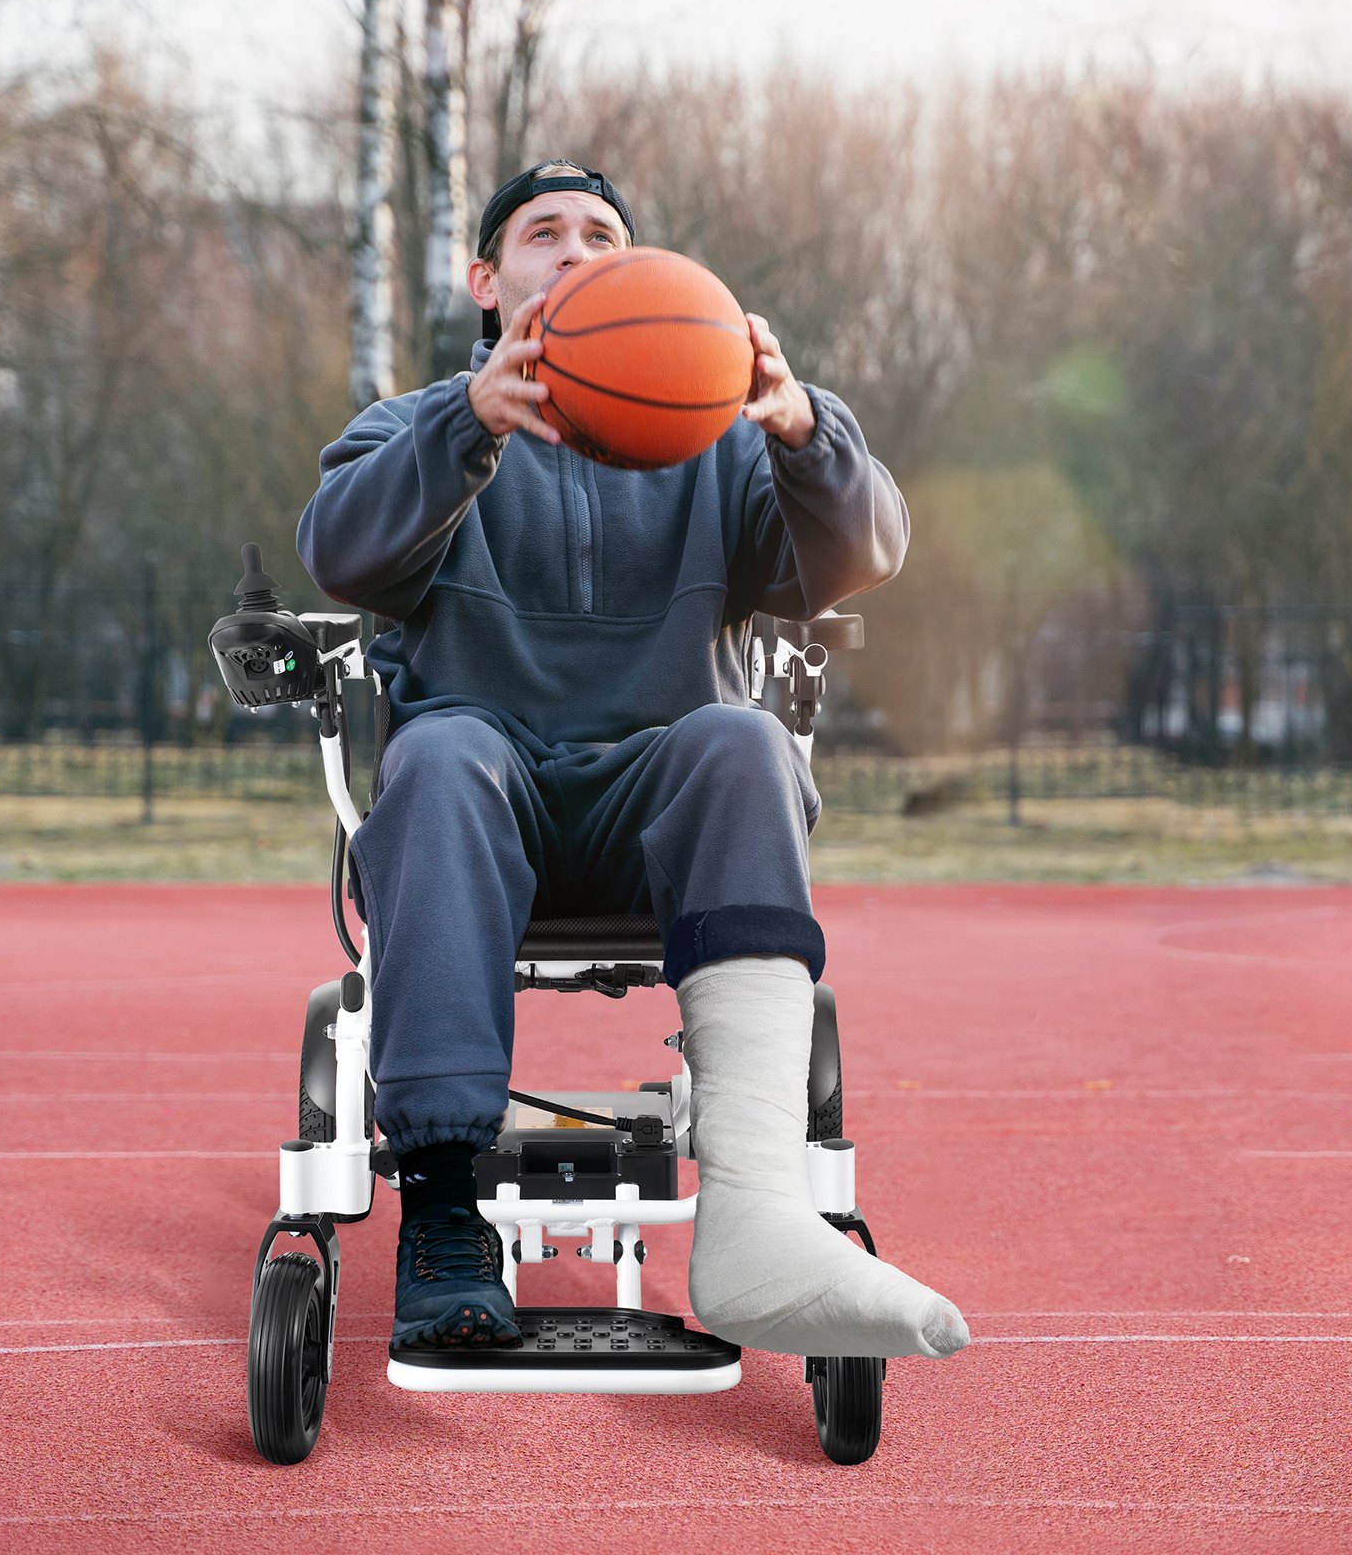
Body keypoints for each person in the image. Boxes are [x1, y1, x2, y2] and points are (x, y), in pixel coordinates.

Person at [297, 159, 969, 1363]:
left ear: (642, 274)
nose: (575, 249)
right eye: (543, 233)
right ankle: (443, 1217)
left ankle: (757, 1214)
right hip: (479, 801)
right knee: (438, 750)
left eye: (602, 235)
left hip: (655, 809)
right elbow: (339, 554)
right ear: (486, 282)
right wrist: (468, 427)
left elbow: (861, 552)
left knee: (743, 734)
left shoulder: (720, 444)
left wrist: (802, 431)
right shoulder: (412, 425)